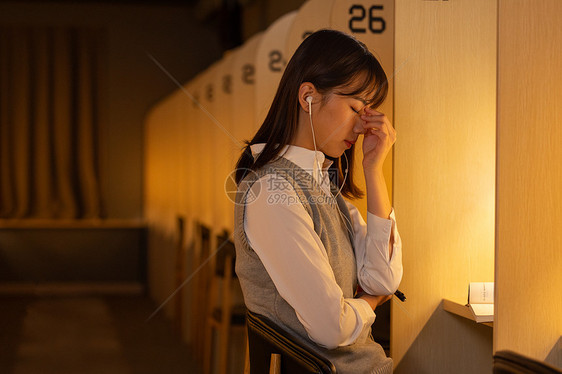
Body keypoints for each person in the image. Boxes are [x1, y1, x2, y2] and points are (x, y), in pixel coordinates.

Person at [233, 29, 403, 374]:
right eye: (356, 107)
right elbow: (330, 328)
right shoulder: (272, 191)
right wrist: (369, 303)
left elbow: (384, 279)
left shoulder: (323, 185)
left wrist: (374, 171)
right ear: (308, 96)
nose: (361, 127)